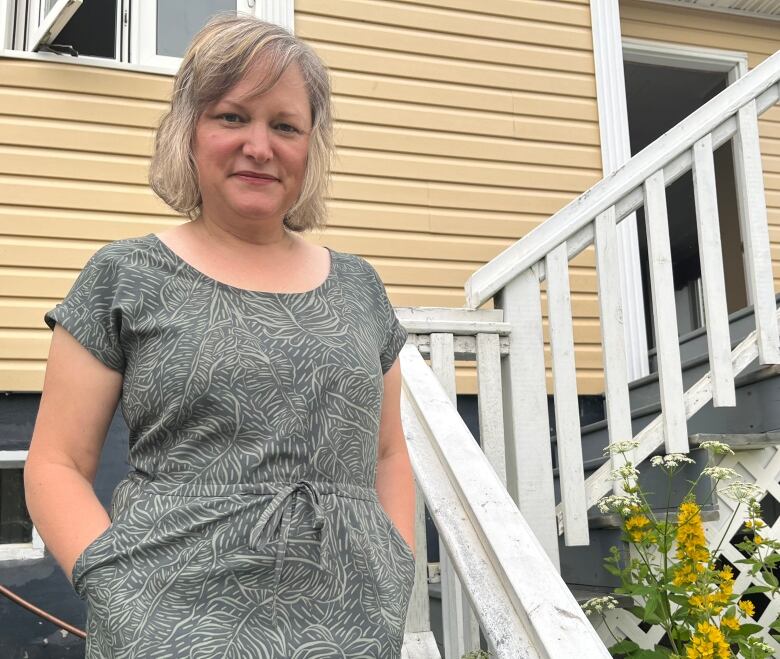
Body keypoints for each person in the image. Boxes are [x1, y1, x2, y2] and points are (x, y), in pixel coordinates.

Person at [24, 13, 416, 658]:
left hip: (347, 625)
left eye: (285, 126)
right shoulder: (123, 276)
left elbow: (386, 456)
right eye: (232, 117)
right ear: (189, 132)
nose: (259, 146)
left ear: (309, 146)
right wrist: (117, 588)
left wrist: (392, 567)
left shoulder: (359, 288)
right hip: (168, 625)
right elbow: (57, 463)